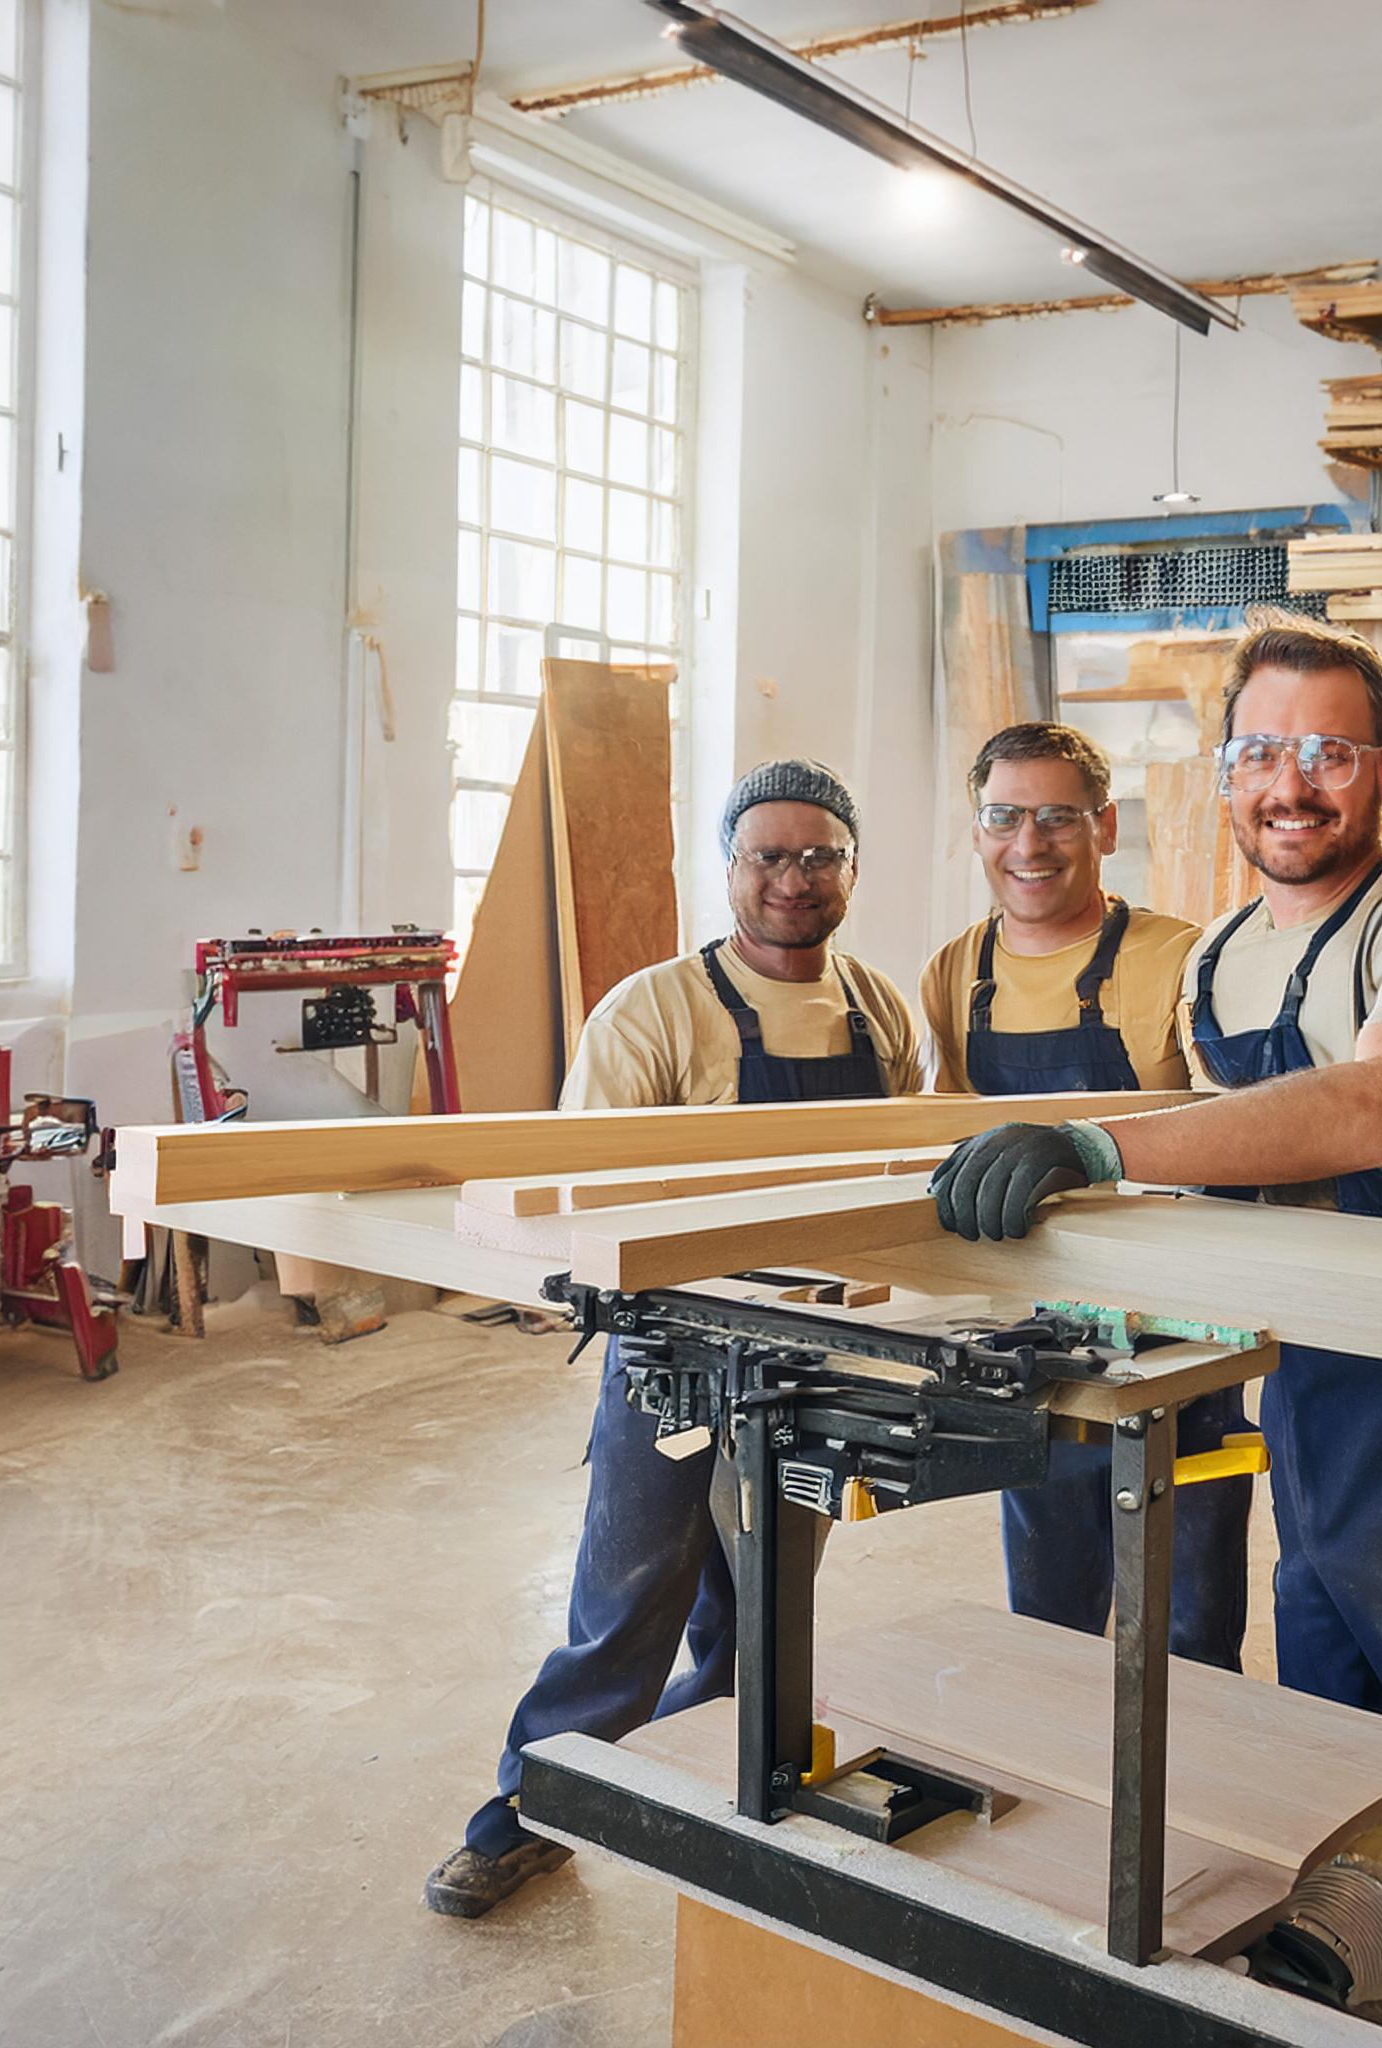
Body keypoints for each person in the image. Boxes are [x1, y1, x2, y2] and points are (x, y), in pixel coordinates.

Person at [927, 614, 1382, 2047]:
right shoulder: (1225, 960)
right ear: (1223, 775)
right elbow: (1235, 1171)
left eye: (1328, 750)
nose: (1290, 784)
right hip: (1310, 1433)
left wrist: (1100, 1142)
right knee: (1329, 1833)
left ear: (1381, 772)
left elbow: (1369, 1109)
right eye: (1260, 750)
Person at [424, 759, 920, 1918]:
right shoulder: (654, 1009)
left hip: (814, 1354)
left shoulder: (879, 1006)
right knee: (629, 1587)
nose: (792, 878)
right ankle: (531, 1806)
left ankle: (739, 1782)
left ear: (849, 867)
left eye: (818, 855)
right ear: (728, 866)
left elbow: (900, 1167)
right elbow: (581, 1188)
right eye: (767, 855)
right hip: (674, 1349)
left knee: (766, 1599)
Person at [918, 722, 1251, 1665]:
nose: (1030, 844)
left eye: (1059, 816)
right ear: (977, 830)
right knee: (1048, 1603)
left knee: (1187, 1615)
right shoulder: (956, 972)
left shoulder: (1183, 957)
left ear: (1104, 826)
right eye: (1004, 816)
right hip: (1029, 1334)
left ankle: (1186, 1789)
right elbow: (950, 1136)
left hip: (1179, 1328)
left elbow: (1232, 1134)